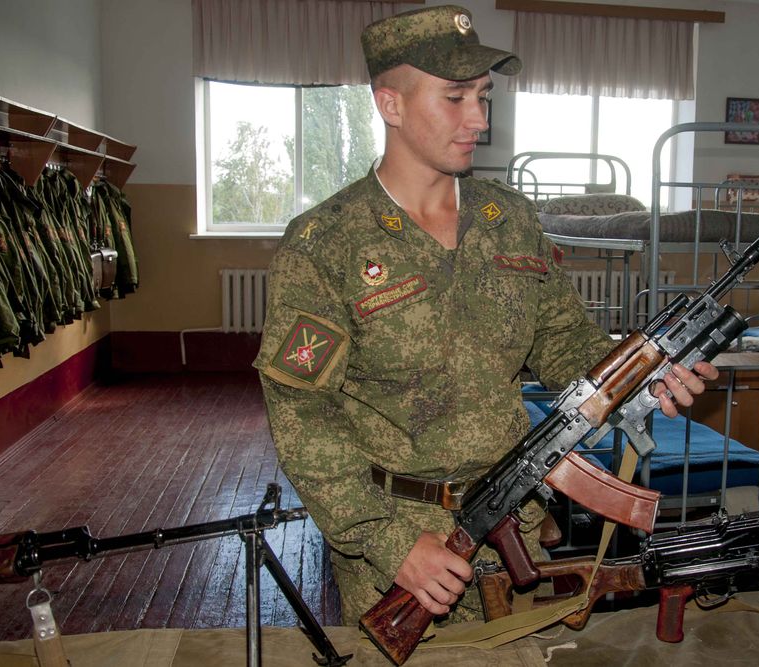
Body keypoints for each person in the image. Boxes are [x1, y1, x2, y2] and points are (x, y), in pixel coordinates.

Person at [253, 4, 718, 625]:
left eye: (483, 96)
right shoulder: (326, 244)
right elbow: (302, 412)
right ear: (390, 105)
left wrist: (643, 376)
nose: (479, 119)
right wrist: (389, 541)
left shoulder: (511, 220)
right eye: (454, 98)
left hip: (515, 525)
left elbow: (562, 341)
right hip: (400, 548)